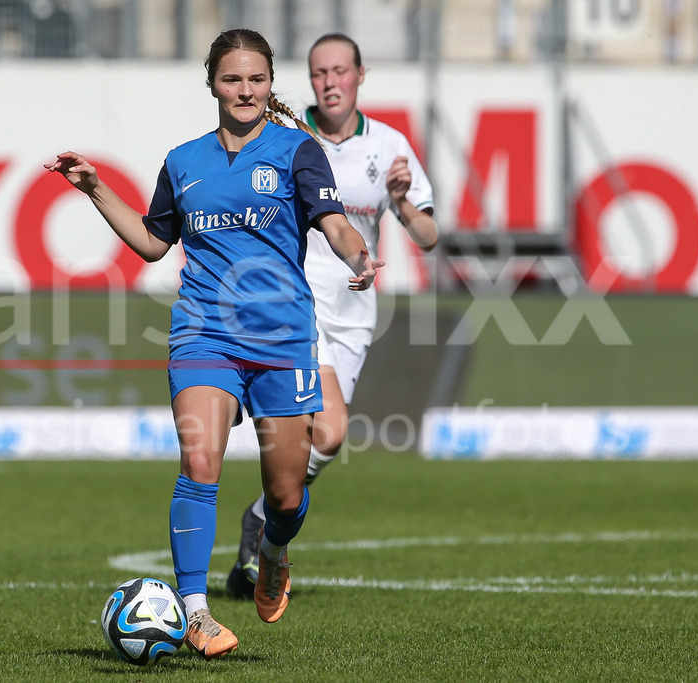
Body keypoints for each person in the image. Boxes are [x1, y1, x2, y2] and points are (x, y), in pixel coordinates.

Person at [45, 28, 383, 660]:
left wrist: (359, 253)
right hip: (203, 334)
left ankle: (274, 549)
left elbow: (334, 222)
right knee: (200, 462)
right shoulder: (184, 162)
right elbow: (152, 243)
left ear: (271, 84)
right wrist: (93, 188)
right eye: (232, 78)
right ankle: (194, 612)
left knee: (285, 494)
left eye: (256, 78)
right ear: (212, 84)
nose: (245, 90)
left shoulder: (297, 151)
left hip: (283, 341)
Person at [225, 32, 439, 599]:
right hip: (297, 306)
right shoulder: (290, 139)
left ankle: (261, 525)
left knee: (319, 443)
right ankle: (268, 535)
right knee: (335, 429)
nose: (329, 82)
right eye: (319, 73)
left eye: (340, 71)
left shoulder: (387, 145)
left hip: (355, 311)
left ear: (360, 76)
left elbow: (429, 235)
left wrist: (402, 204)